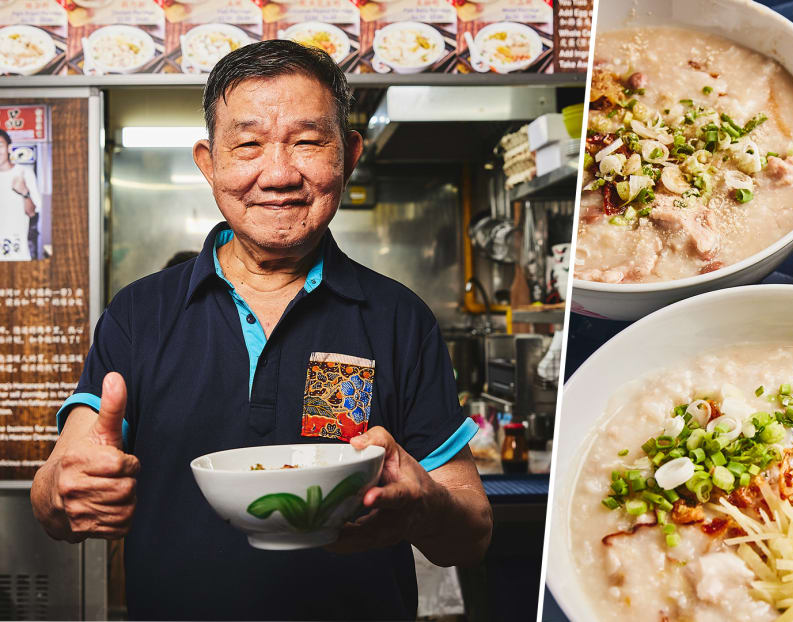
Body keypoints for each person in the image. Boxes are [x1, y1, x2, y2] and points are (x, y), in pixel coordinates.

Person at [30, 40, 493, 620]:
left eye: (307, 141)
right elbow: (56, 489)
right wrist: (61, 491)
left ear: (348, 154)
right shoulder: (138, 312)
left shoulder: (399, 317)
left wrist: (426, 509)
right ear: (209, 163)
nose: (278, 174)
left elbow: (471, 534)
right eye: (248, 144)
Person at [0, 129, 41, 261]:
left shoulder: (24, 173)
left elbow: (32, 213)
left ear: (9, 148)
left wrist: (25, 192)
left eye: (0, 146)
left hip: (17, 252)